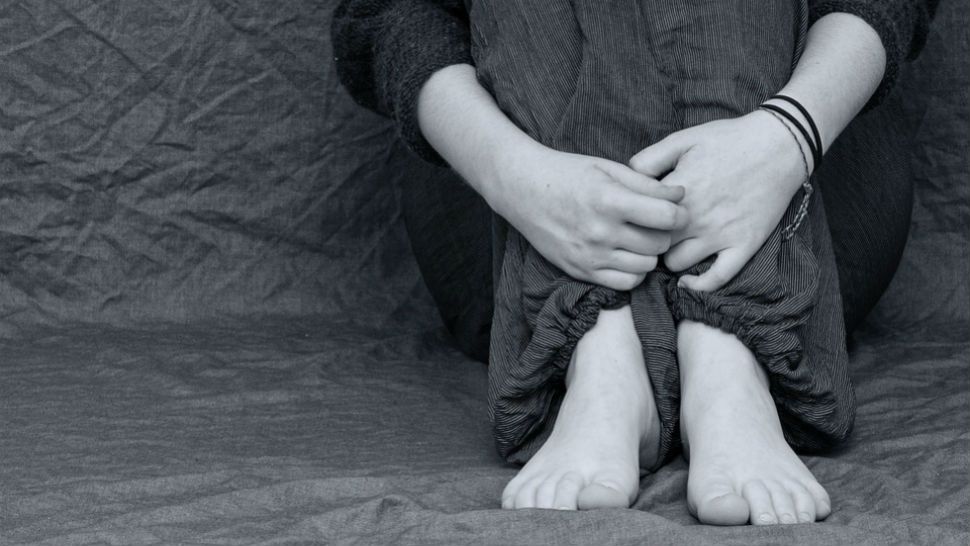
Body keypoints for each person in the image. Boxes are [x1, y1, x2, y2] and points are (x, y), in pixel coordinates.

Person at [333, 0, 937, 526]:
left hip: (808, 173)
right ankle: (600, 343)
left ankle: (731, 353)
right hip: (500, 196)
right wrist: (515, 177)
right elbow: (390, 13)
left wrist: (788, 135)